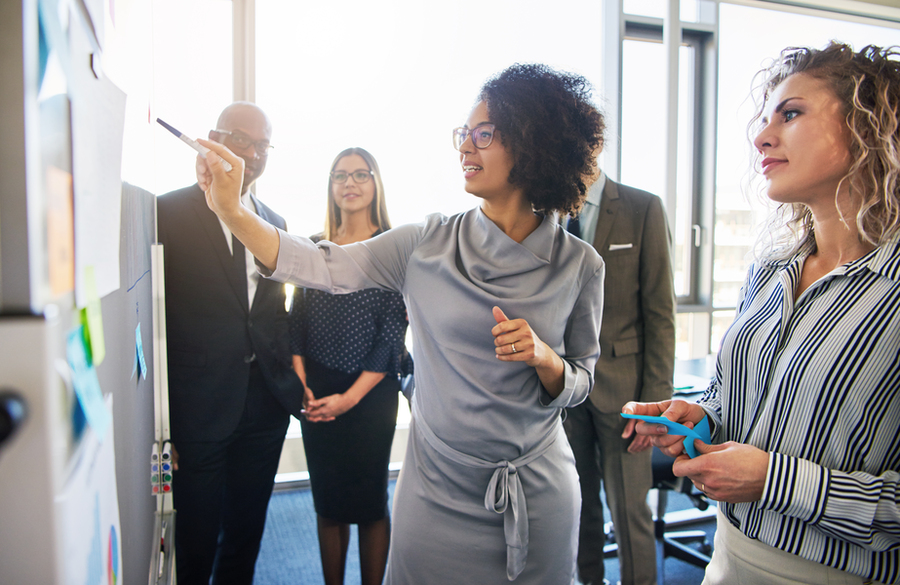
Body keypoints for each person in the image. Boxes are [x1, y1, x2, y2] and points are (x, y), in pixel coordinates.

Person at [197, 63, 607, 583]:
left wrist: (546, 358)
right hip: (437, 490)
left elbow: (581, 384)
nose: (465, 148)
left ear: (533, 144)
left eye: (484, 135)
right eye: (464, 134)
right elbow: (318, 263)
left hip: (537, 491)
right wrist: (233, 213)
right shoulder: (425, 243)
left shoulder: (581, 265)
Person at [626, 42, 900, 585]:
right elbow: (737, 401)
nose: (762, 136)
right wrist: (702, 419)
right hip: (726, 559)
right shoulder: (771, 269)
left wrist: (776, 481)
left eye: (791, 113)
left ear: (871, 126)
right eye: (766, 117)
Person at [157, 101, 304, 585]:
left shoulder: (274, 220)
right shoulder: (167, 212)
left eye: (263, 145)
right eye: (242, 139)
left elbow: (271, 311)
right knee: (197, 536)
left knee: (246, 532)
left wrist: (289, 376)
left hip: (264, 402)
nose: (253, 153)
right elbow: (154, 319)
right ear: (213, 138)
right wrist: (163, 420)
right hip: (199, 406)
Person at [288, 147, 412, 585]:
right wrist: (301, 383)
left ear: (376, 183)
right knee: (328, 500)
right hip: (316, 390)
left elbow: (391, 337)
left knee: (370, 502)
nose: (350, 183)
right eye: (340, 175)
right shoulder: (313, 245)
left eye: (361, 174)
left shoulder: (394, 247)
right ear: (331, 185)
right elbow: (296, 319)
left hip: (371, 393)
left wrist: (348, 400)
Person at [563, 160, 675, 585]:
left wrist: (655, 410)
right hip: (564, 392)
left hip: (627, 395)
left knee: (631, 513)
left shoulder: (641, 208)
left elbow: (661, 316)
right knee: (578, 507)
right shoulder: (545, 208)